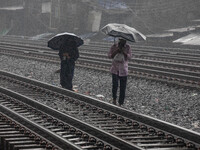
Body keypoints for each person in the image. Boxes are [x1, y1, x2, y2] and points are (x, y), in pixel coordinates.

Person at [108, 38, 132, 106]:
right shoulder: (114, 46)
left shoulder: (128, 47)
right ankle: (114, 99)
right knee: (115, 85)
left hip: (124, 70)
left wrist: (123, 52)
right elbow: (109, 56)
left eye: (124, 41)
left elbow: (129, 57)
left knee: (123, 87)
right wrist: (117, 51)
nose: (123, 42)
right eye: (121, 40)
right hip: (115, 69)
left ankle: (121, 102)